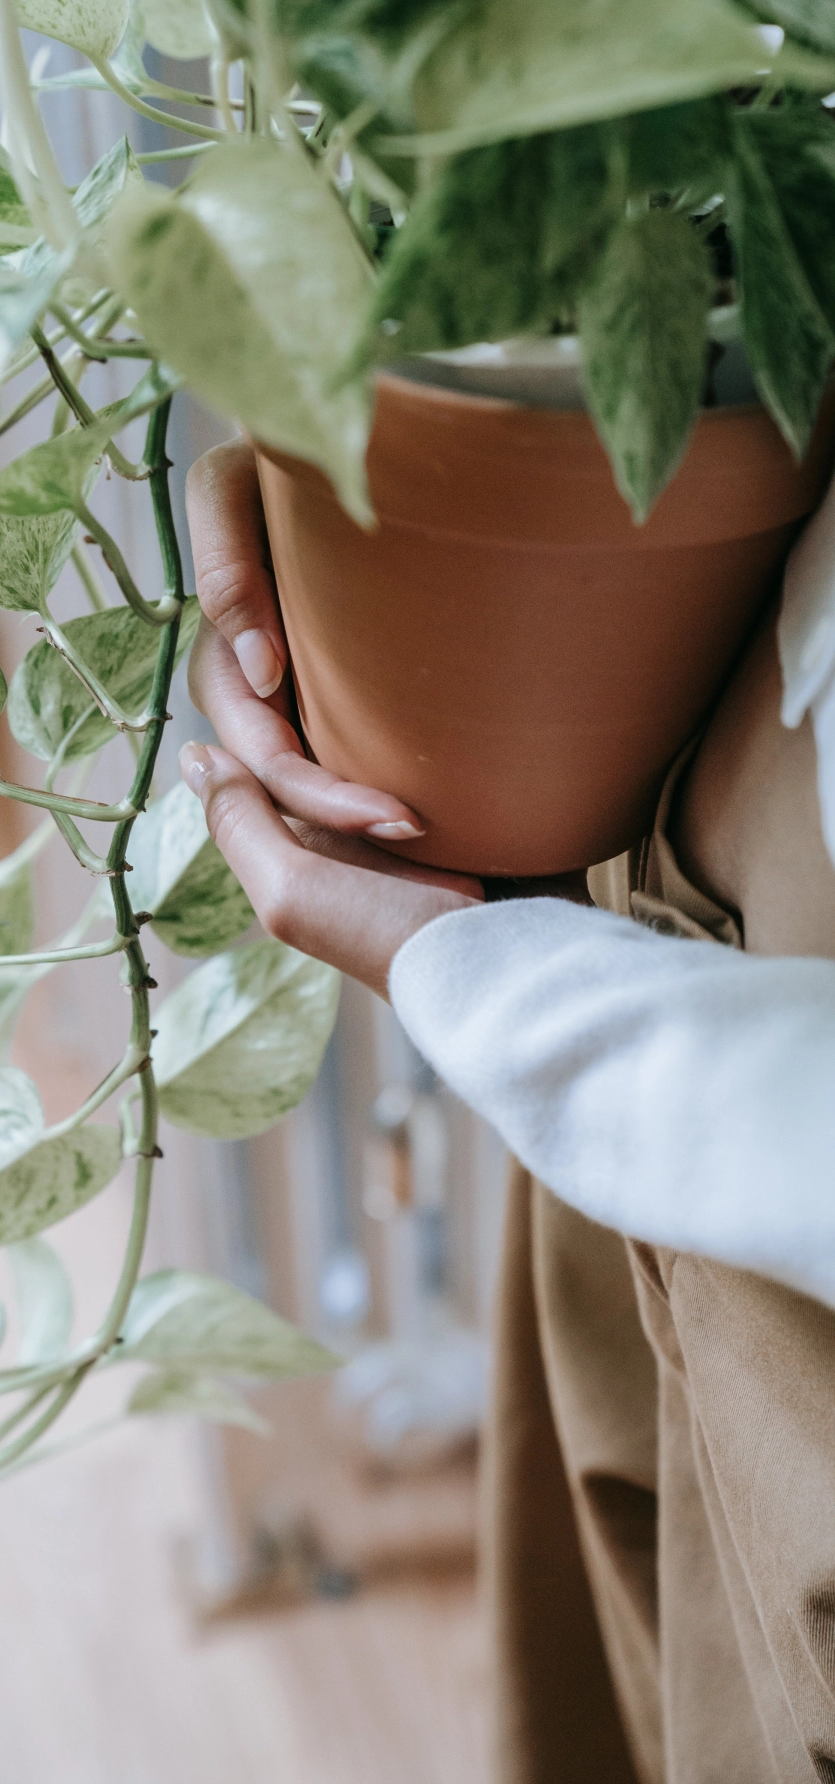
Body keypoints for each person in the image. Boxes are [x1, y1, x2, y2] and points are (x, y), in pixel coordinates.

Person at [179, 437, 835, 1783]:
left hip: (672, 1081)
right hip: (656, 959)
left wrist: (501, 989)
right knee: (631, 1631)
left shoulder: (561, 1024)